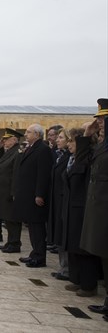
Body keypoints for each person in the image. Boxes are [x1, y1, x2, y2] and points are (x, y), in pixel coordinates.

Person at [61, 127, 100, 297]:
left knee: (83, 249)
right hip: (73, 207)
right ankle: (76, 279)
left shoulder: (87, 157)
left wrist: (85, 136)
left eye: (72, 141)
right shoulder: (73, 159)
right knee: (73, 246)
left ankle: (88, 284)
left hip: (82, 208)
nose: (69, 144)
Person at [80, 98, 108, 320]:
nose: (99, 124)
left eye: (103, 120)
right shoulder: (101, 146)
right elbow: (82, 162)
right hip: (99, 207)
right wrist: (87, 135)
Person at [15, 124, 53, 268]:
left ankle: (39, 257)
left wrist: (40, 194)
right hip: (28, 194)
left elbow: (43, 174)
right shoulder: (31, 148)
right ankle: (34, 253)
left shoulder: (43, 150)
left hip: (35, 195)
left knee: (37, 226)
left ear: (37, 134)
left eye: (28, 132)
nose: (26, 134)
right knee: (32, 225)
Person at [0, 128, 24, 253]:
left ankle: (15, 243)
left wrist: (13, 192)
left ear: (14, 140)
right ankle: (10, 242)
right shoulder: (9, 151)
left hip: (9, 190)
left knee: (12, 219)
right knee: (7, 218)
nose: (4, 141)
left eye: (6, 139)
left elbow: (16, 174)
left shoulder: (17, 152)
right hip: (3, 189)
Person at [48, 128, 70, 280]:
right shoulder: (61, 156)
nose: (57, 140)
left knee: (65, 235)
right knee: (60, 233)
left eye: (60, 137)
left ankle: (67, 269)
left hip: (65, 200)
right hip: (57, 199)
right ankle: (63, 267)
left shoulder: (69, 157)